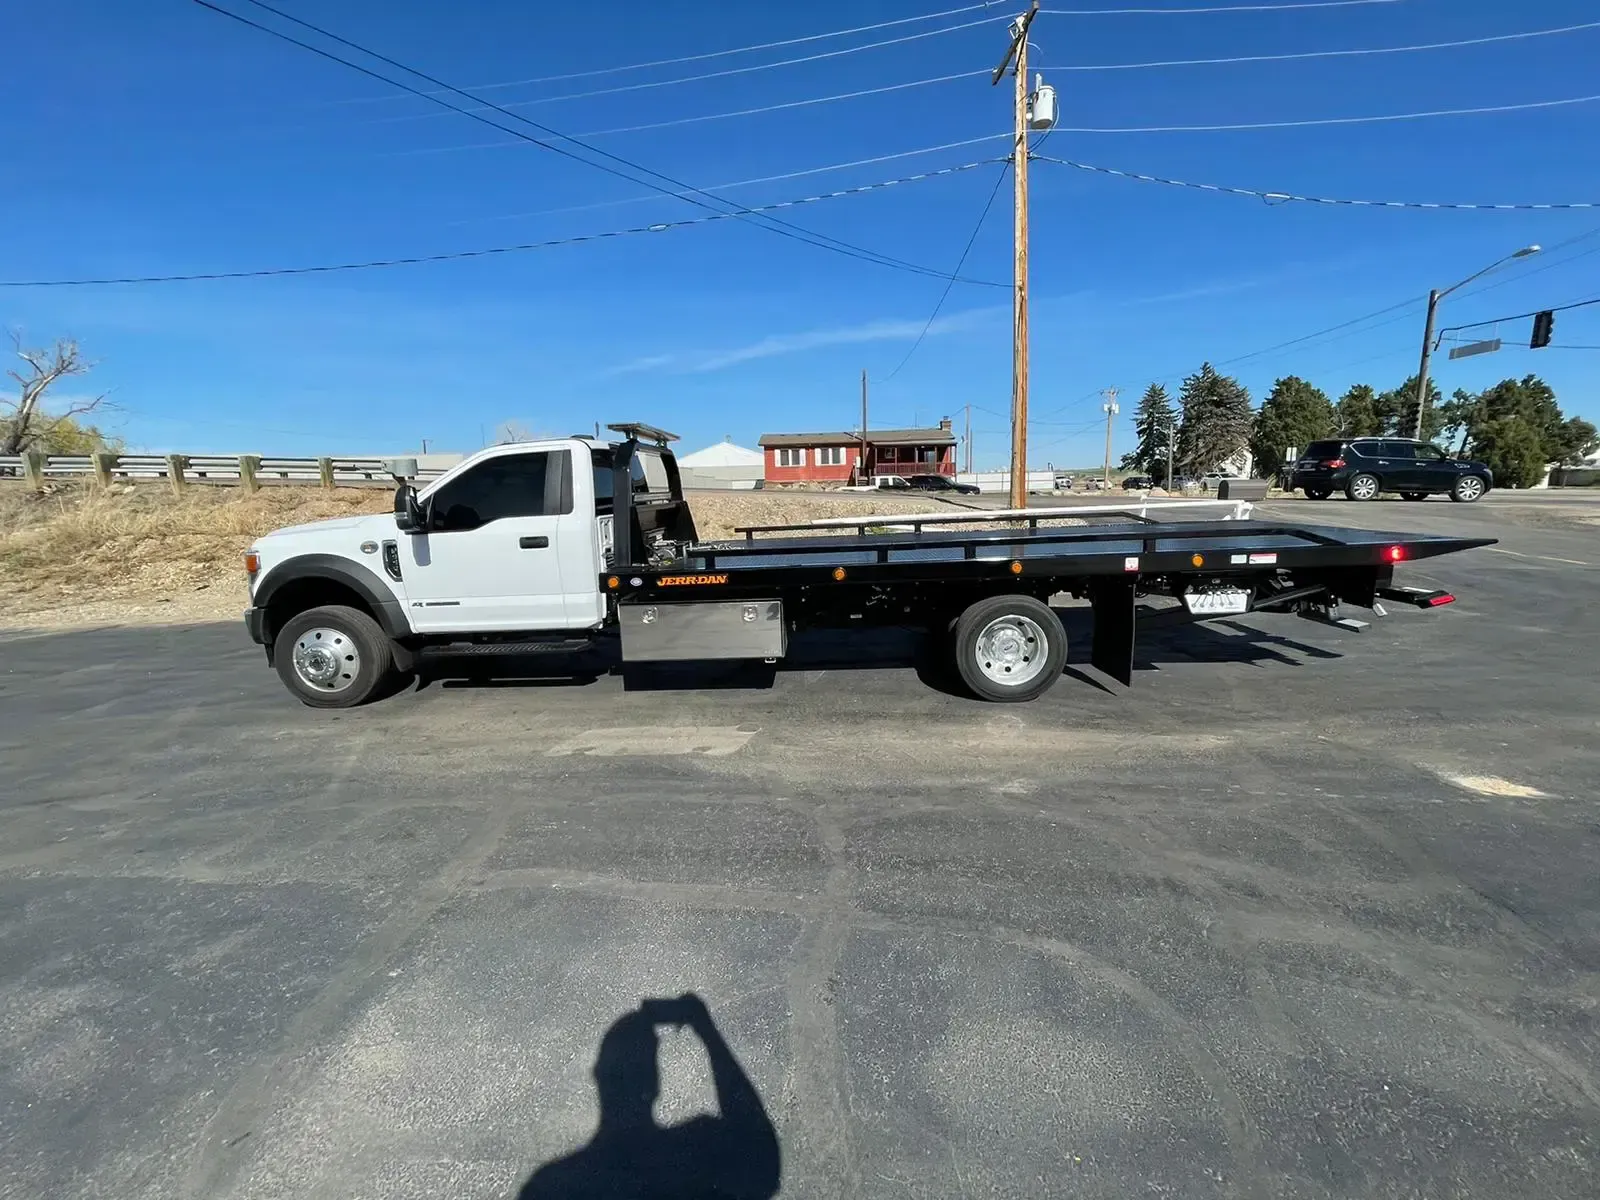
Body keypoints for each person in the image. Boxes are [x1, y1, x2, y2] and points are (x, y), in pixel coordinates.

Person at [520, 993, 781, 1199]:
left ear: (598, 1075)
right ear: (654, 1083)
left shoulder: (556, 1185)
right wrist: (707, 1031)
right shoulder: (692, 1157)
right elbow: (762, 1157)